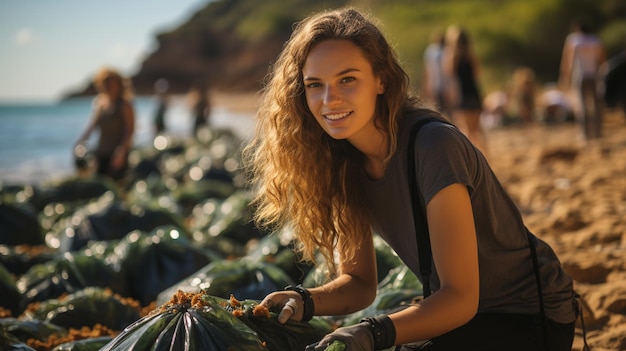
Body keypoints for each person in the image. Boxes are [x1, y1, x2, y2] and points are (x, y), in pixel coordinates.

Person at [245, 7, 577, 351]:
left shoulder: (433, 145)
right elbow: (359, 284)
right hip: (461, 315)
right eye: (315, 85)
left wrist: (372, 332)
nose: (330, 100)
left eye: (347, 79)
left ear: (381, 80)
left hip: (531, 316)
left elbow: (461, 296)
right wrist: (304, 300)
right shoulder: (342, 162)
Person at [75, 67, 135, 181]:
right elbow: (91, 126)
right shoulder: (100, 104)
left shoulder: (124, 105)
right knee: (99, 181)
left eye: (112, 84)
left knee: (116, 182)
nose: (109, 87)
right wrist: (79, 142)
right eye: (106, 84)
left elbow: (130, 130)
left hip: (117, 153)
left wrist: (122, 151)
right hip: (101, 151)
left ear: (119, 85)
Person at [442, 25, 488, 155]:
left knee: (466, 131)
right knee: (478, 129)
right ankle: (487, 157)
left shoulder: (452, 56)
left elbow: (449, 73)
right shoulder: (471, 55)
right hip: (474, 92)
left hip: (462, 95)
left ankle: (472, 159)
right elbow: (477, 73)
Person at [559, 18, 606, 139]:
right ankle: (598, 133)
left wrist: (565, 77)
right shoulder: (595, 40)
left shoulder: (574, 40)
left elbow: (568, 60)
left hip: (580, 76)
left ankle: (585, 135)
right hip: (594, 75)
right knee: (596, 105)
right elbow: (602, 59)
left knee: (582, 106)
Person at [422, 30, 448, 115]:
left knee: (441, 107)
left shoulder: (434, 50)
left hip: (439, 84)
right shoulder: (433, 50)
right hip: (439, 84)